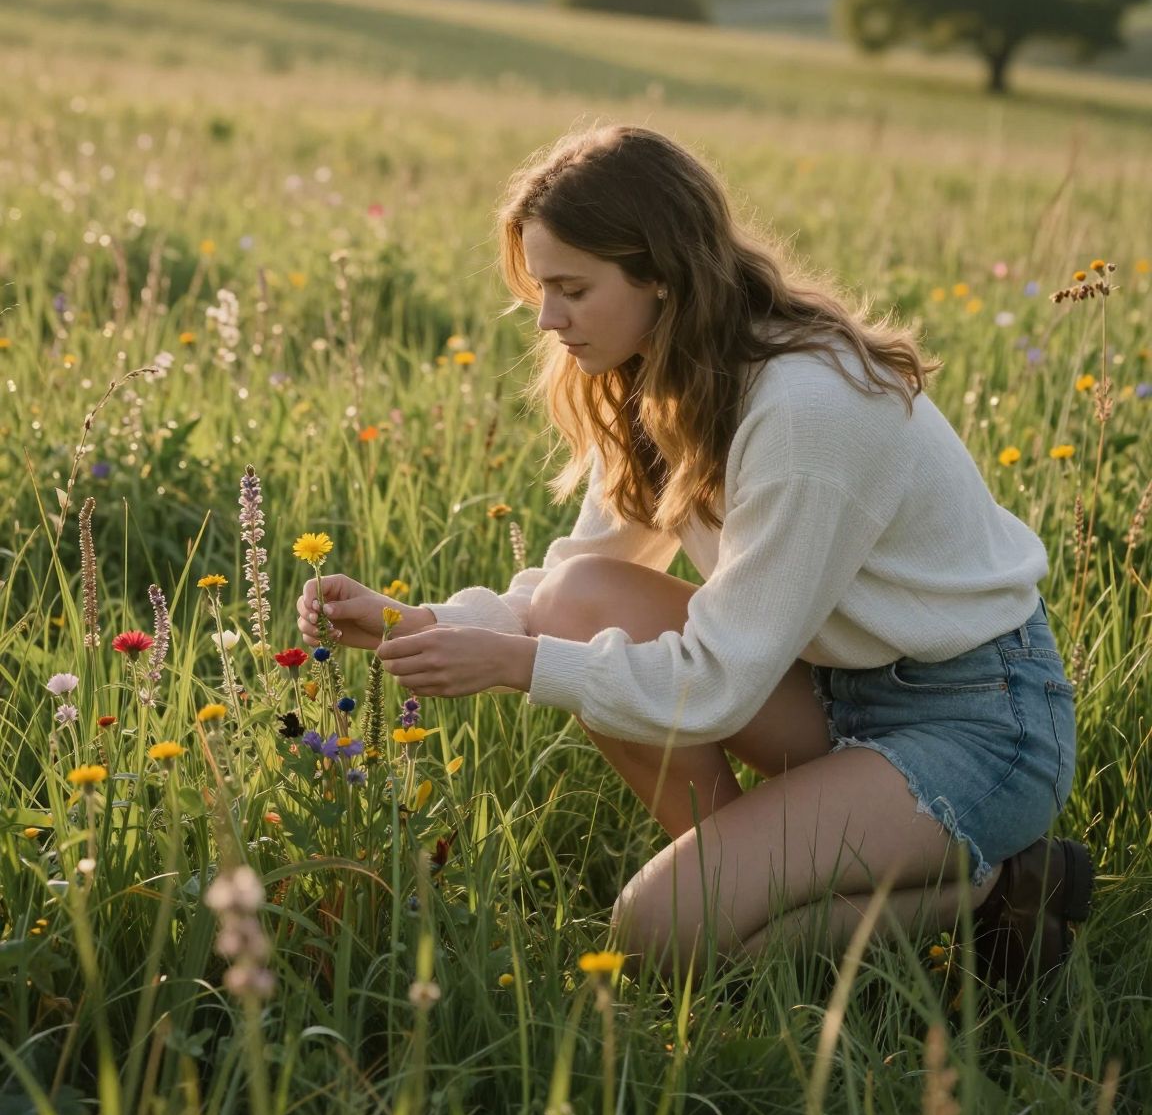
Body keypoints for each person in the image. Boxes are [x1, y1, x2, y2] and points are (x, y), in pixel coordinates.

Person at [298, 122, 1094, 993]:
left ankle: (996, 893)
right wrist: (423, 624)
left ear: (662, 275)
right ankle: (748, 885)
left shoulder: (807, 410)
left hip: (978, 724)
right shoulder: (667, 373)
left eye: (572, 289)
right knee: (578, 598)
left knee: (656, 934)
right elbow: (575, 580)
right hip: (830, 687)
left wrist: (516, 665)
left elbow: (717, 682)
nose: (548, 319)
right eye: (542, 289)